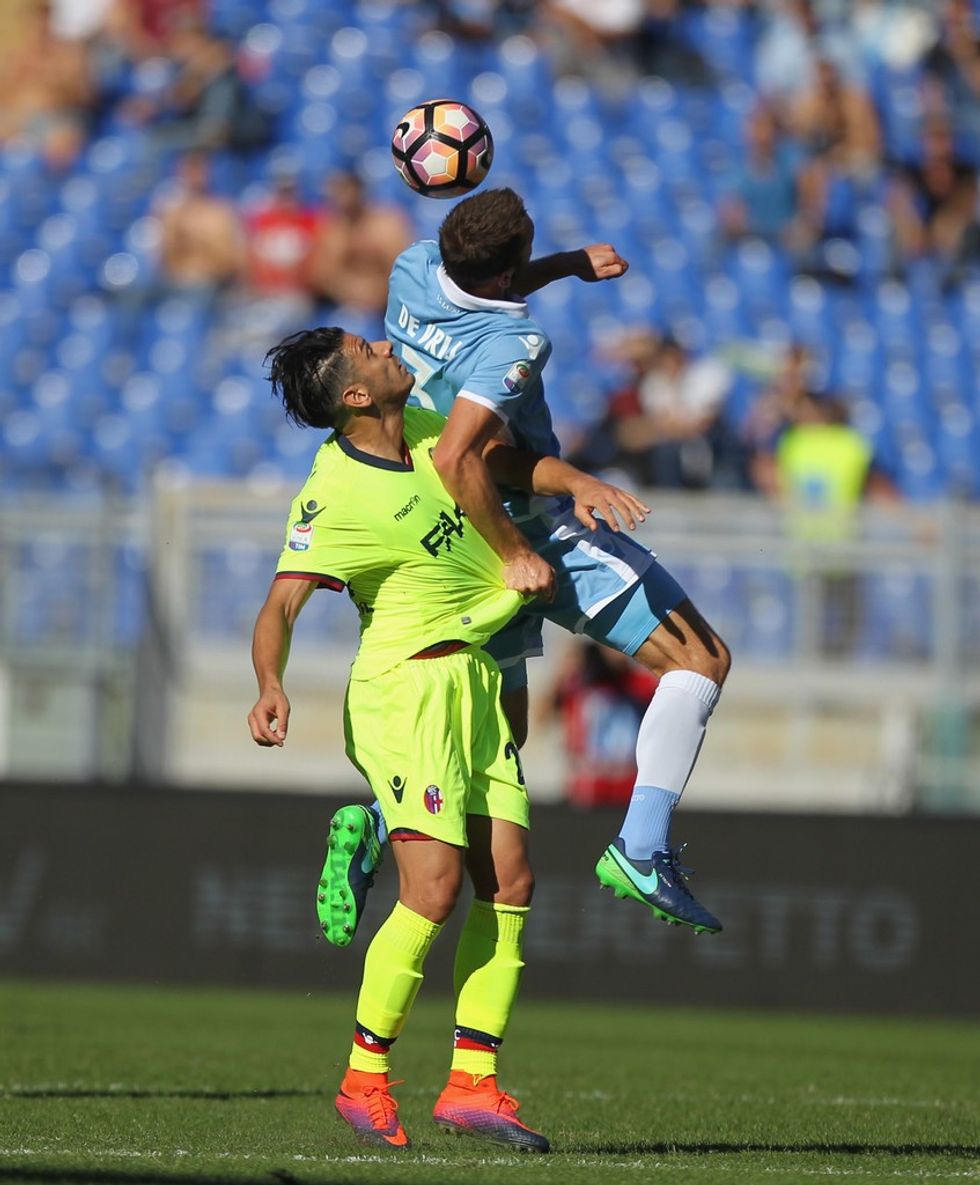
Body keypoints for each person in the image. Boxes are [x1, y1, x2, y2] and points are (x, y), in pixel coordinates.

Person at [247, 328, 641, 1150]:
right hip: (405, 691)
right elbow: (282, 603)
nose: (388, 344)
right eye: (368, 349)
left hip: (473, 679)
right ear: (355, 396)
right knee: (431, 892)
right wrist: (271, 684)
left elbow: (505, 463)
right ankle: (363, 1077)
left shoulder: (430, 428)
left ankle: (472, 1083)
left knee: (512, 880)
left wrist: (578, 482)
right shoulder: (334, 489)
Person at [323, 187, 730, 943]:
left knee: (499, 730)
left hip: (446, 542)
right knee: (701, 658)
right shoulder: (515, 343)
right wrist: (522, 548)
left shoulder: (412, 268)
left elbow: (476, 291)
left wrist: (564, 265)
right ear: (508, 273)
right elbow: (462, 455)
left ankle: (380, 820)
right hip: (523, 526)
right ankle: (641, 848)